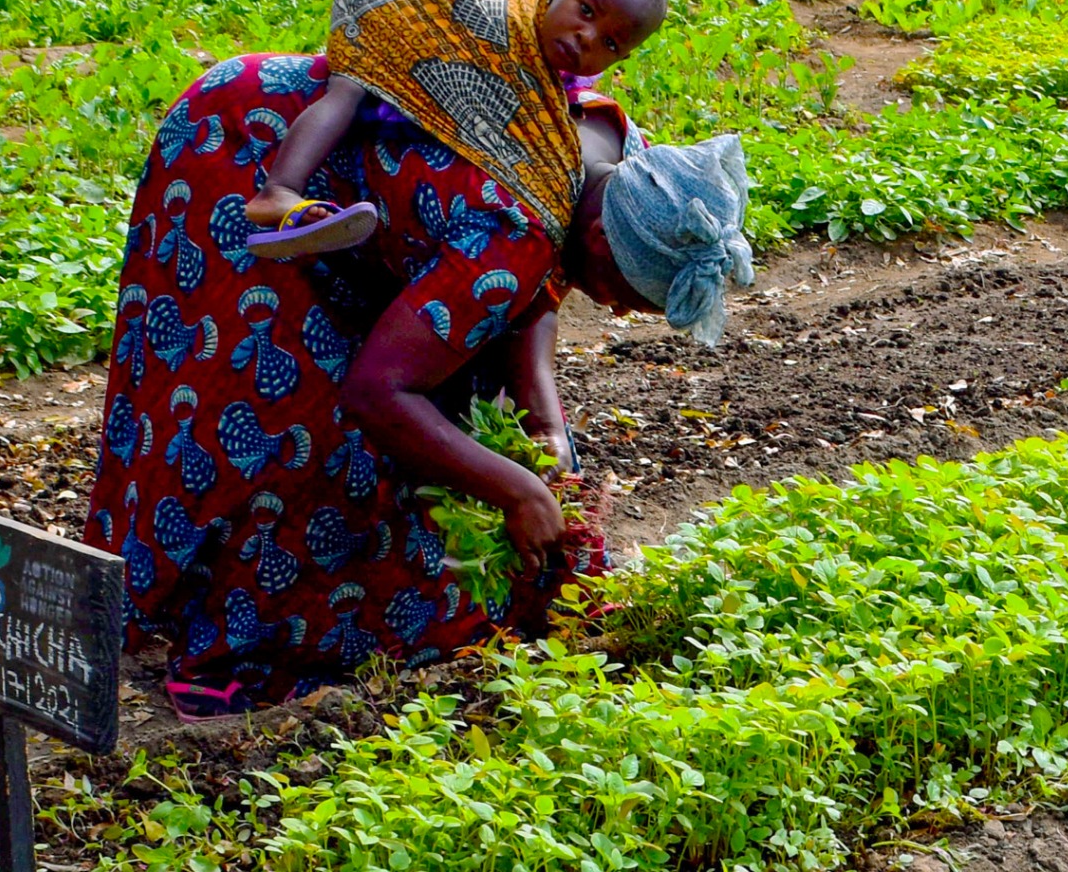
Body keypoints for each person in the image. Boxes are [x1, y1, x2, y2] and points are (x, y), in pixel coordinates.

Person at [81, 49, 752, 719]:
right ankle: (236, 643)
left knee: (451, 394)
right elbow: (378, 395)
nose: (622, 311)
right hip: (247, 152)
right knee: (288, 408)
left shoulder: (625, 166)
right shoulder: (511, 229)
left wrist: (544, 425)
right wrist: (517, 489)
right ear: (603, 236)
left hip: (366, 200)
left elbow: (534, 295)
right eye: (630, 292)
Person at [241, 0, 668, 258]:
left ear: (621, 58)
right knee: (350, 91)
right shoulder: (509, 21)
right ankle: (279, 190)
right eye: (587, 11)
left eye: (609, 41)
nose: (586, 36)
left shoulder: (564, 76)